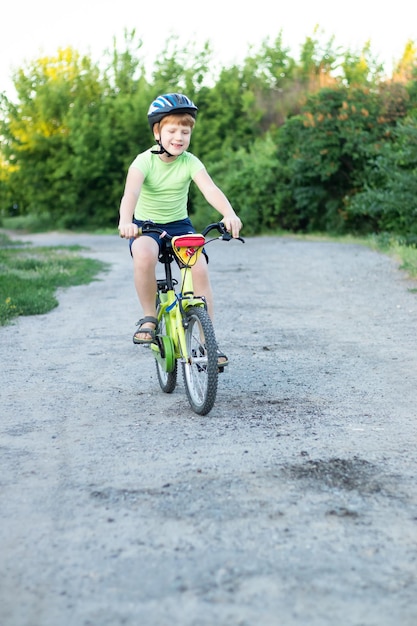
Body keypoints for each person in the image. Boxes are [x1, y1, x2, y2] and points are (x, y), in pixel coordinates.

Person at [118, 92, 242, 367]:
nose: (179, 137)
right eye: (172, 130)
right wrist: (126, 221)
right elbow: (131, 193)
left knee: (198, 267)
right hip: (145, 226)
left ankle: (207, 342)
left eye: (185, 131)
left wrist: (229, 213)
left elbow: (210, 189)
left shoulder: (190, 161)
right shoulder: (143, 161)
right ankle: (149, 317)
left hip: (179, 225)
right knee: (144, 255)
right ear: (157, 133)